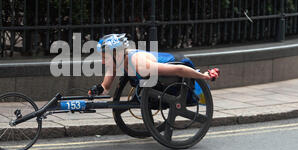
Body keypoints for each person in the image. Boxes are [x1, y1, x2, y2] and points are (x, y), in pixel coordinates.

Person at [88, 34, 220, 96]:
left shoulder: (138, 63)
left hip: (177, 63)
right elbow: (105, 88)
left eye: (105, 57)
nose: (103, 62)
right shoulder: (117, 63)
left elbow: (179, 69)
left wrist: (203, 76)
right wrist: (95, 92)